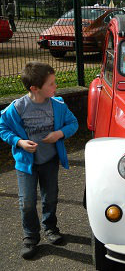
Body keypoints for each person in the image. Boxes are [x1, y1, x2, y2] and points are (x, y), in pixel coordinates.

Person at [0, 62, 78, 259]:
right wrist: (19, 142)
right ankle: (30, 237)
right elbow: (3, 128)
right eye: (51, 84)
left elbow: (73, 123)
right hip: (26, 165)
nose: (56, 86)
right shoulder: (17, 107)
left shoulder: (58, 105)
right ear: (35, 88)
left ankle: (50, 227)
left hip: (50, 161)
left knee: (50, 197)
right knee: (27, 202)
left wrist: (59, 133)